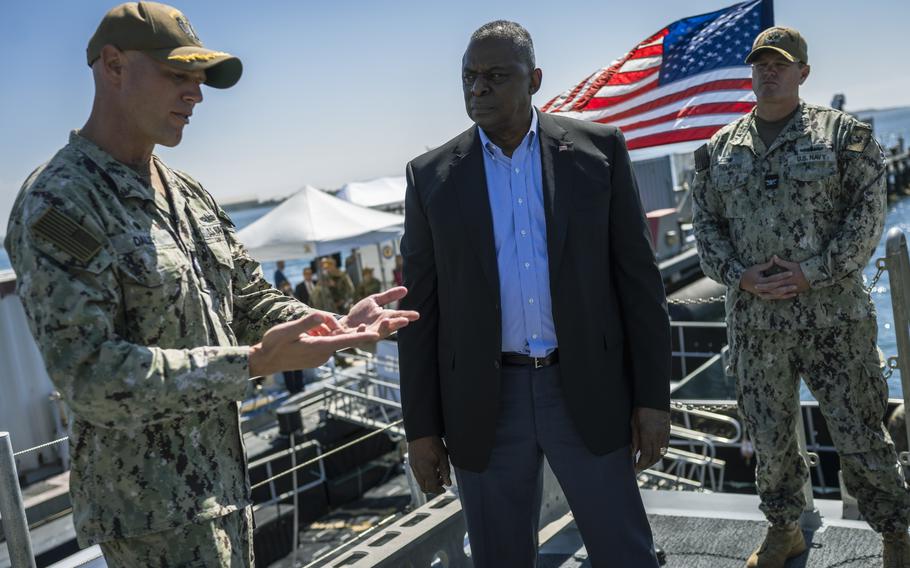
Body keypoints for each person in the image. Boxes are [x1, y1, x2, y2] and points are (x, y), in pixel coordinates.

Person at [3, 3, 418, 566]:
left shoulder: (188, 193)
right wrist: (248, 364)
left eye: (199, 80)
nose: (196, 95)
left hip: (223, 487)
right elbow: (89, 376)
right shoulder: (60, 201)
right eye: (178, 75)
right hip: (148, 514)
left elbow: (247, 296)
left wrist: (331, 326)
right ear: (113, 65)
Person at [398, 20, 671, 567]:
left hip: (588, 390)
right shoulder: (430, 178)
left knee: (625, 552)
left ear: (534, 79)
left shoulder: (599, 153)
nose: (479, 88)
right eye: (469, 77)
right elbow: (419, 312)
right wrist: (421, 430)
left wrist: (653, 399)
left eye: (496, 76)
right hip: (483, 404)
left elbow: (640, 285)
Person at [692, 26, 910, 568]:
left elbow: (866, 216)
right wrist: (740, 276)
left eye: (781, 63)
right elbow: (707, 229)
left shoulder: (845, 136)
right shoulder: (720, 149)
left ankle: (898, 533)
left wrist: (814, 272)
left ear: (803, 73)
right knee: (769, 440)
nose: (769, 71)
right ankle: (784, 528)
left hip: (833, 320)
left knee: (861, 434)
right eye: (761, 63)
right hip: (756, 324)